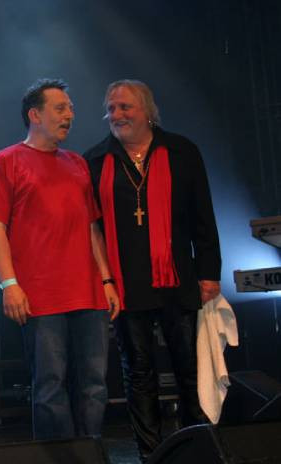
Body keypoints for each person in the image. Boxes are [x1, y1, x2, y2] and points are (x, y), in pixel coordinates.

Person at [84, 79, 221, 461]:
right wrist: (104, 280)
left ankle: (197, 448)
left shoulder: (181, 151)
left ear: (147, 110)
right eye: (111, 109)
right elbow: (93, 229)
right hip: (127, 283)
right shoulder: (95, 159)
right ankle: (151, 454)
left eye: (125, 107)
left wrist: (209, 272)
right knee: (138, 373)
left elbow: (203, 215)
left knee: (189, 368)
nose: (116, 115)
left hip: (177, 276)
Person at [0, 79, 120, 440]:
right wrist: (9, 284)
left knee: (94, 383)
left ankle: (91, 452)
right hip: (41, 295)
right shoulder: (6, 161)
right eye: (60, 108)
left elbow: (92, 227)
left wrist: (106, 280)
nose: (69, 115)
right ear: (35, 115)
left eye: (70, 108)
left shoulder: (76, 163)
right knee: (49, 384)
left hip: (88, 292)